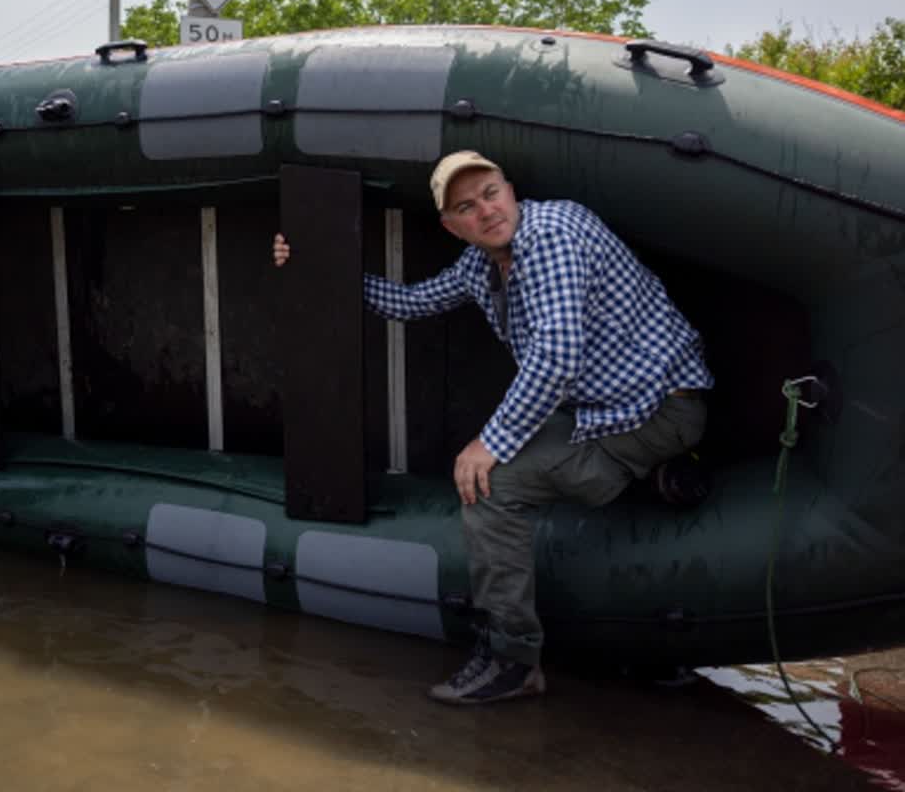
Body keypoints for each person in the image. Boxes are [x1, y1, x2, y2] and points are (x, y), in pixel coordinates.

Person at [271, 150, 712, 705]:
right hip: (598, 409)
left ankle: (512, 660)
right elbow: (410, 303)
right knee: (520, 448)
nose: (486, 210)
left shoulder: (552, 233)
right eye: (466, 206)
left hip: (654, 411)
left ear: (510, 189)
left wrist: (488, 445)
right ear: (451, 226)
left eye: (491, 193)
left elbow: (555, 357)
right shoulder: (481, 264)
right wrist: (317, 267)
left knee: (490, 487)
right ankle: (651, 477)